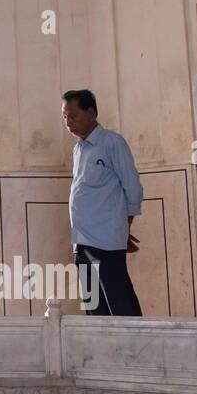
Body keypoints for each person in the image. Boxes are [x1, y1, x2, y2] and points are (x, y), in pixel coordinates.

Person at [62, 88, 144, 316]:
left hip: (106, 239)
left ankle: (136, 349)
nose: (68, 122)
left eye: (73, 116)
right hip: (82, 240)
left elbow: (133, 187)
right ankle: (103, 351)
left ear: (91, 113)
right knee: (94, 307)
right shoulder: (78, 149)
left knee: (119, 302)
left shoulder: (112, 143)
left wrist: (124, 226)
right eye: (65, 117)